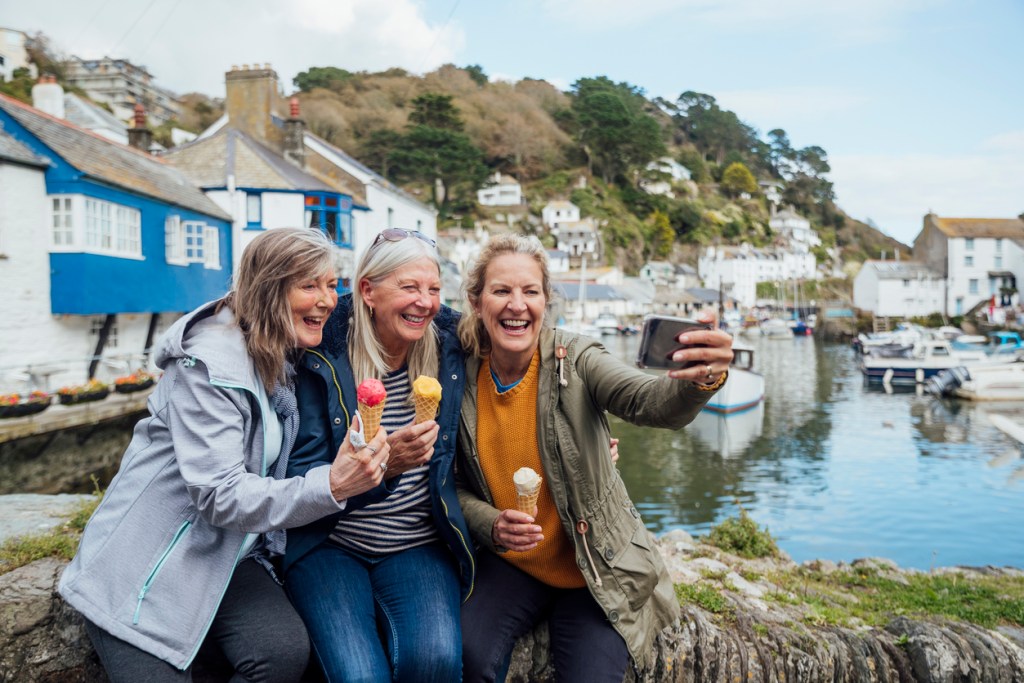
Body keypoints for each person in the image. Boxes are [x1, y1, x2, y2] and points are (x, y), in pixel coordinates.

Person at [58, 227, 391, 682]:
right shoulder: (210, 367)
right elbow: (219, 495)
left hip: (227, 553)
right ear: (269, 290)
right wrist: (332, 486)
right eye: (309, 285)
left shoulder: (276, 354)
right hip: (148, 566)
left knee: (281, 652)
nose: (328, 299)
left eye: (333, 284)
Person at [455, 234, 734, 682]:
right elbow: (452, 483)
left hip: (594, 571)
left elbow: (648, 401)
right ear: (476, 300)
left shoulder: (577, 359)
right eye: (501, 290)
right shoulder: (460, 373)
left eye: (530, 291)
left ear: (546, 301)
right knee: (466, 654)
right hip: (513, 564)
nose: (516, 304)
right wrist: (491, 522)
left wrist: (699, 379)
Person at [284, 228, 474, 682]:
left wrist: (582, 446)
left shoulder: (450, 347)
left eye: (432, 289)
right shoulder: (322, 353)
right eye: (409, 287)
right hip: (329, 542)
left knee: (435, 662)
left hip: (418, 541)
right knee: (357, 675)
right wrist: (385, 467)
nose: (424, 302)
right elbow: (298, 471)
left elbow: (524, 355)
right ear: (367, 290)